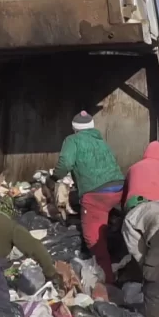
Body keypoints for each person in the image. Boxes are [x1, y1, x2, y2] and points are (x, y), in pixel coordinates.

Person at [50, 111, 125, 283]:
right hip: (119, 189)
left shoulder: (72, 140)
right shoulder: (101, 142)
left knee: (94, 238)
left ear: (75, 129)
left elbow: (65, 163)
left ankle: (108, 281)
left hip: (96, 194)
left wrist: (53, 178)